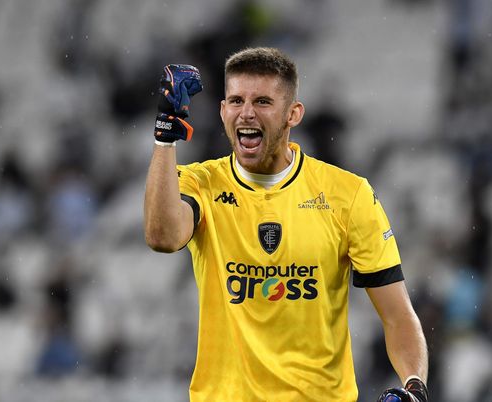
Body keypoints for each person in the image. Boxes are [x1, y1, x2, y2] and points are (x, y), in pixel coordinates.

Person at [144, 47, 429, 402]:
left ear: (293, 113)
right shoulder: (200, 183)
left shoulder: (347, 194)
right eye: (236, 100)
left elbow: (398, 316)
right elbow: (162, 237)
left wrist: (414, 386)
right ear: (222, 111)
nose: (246, 112)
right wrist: (164, 139)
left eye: (262, 102)